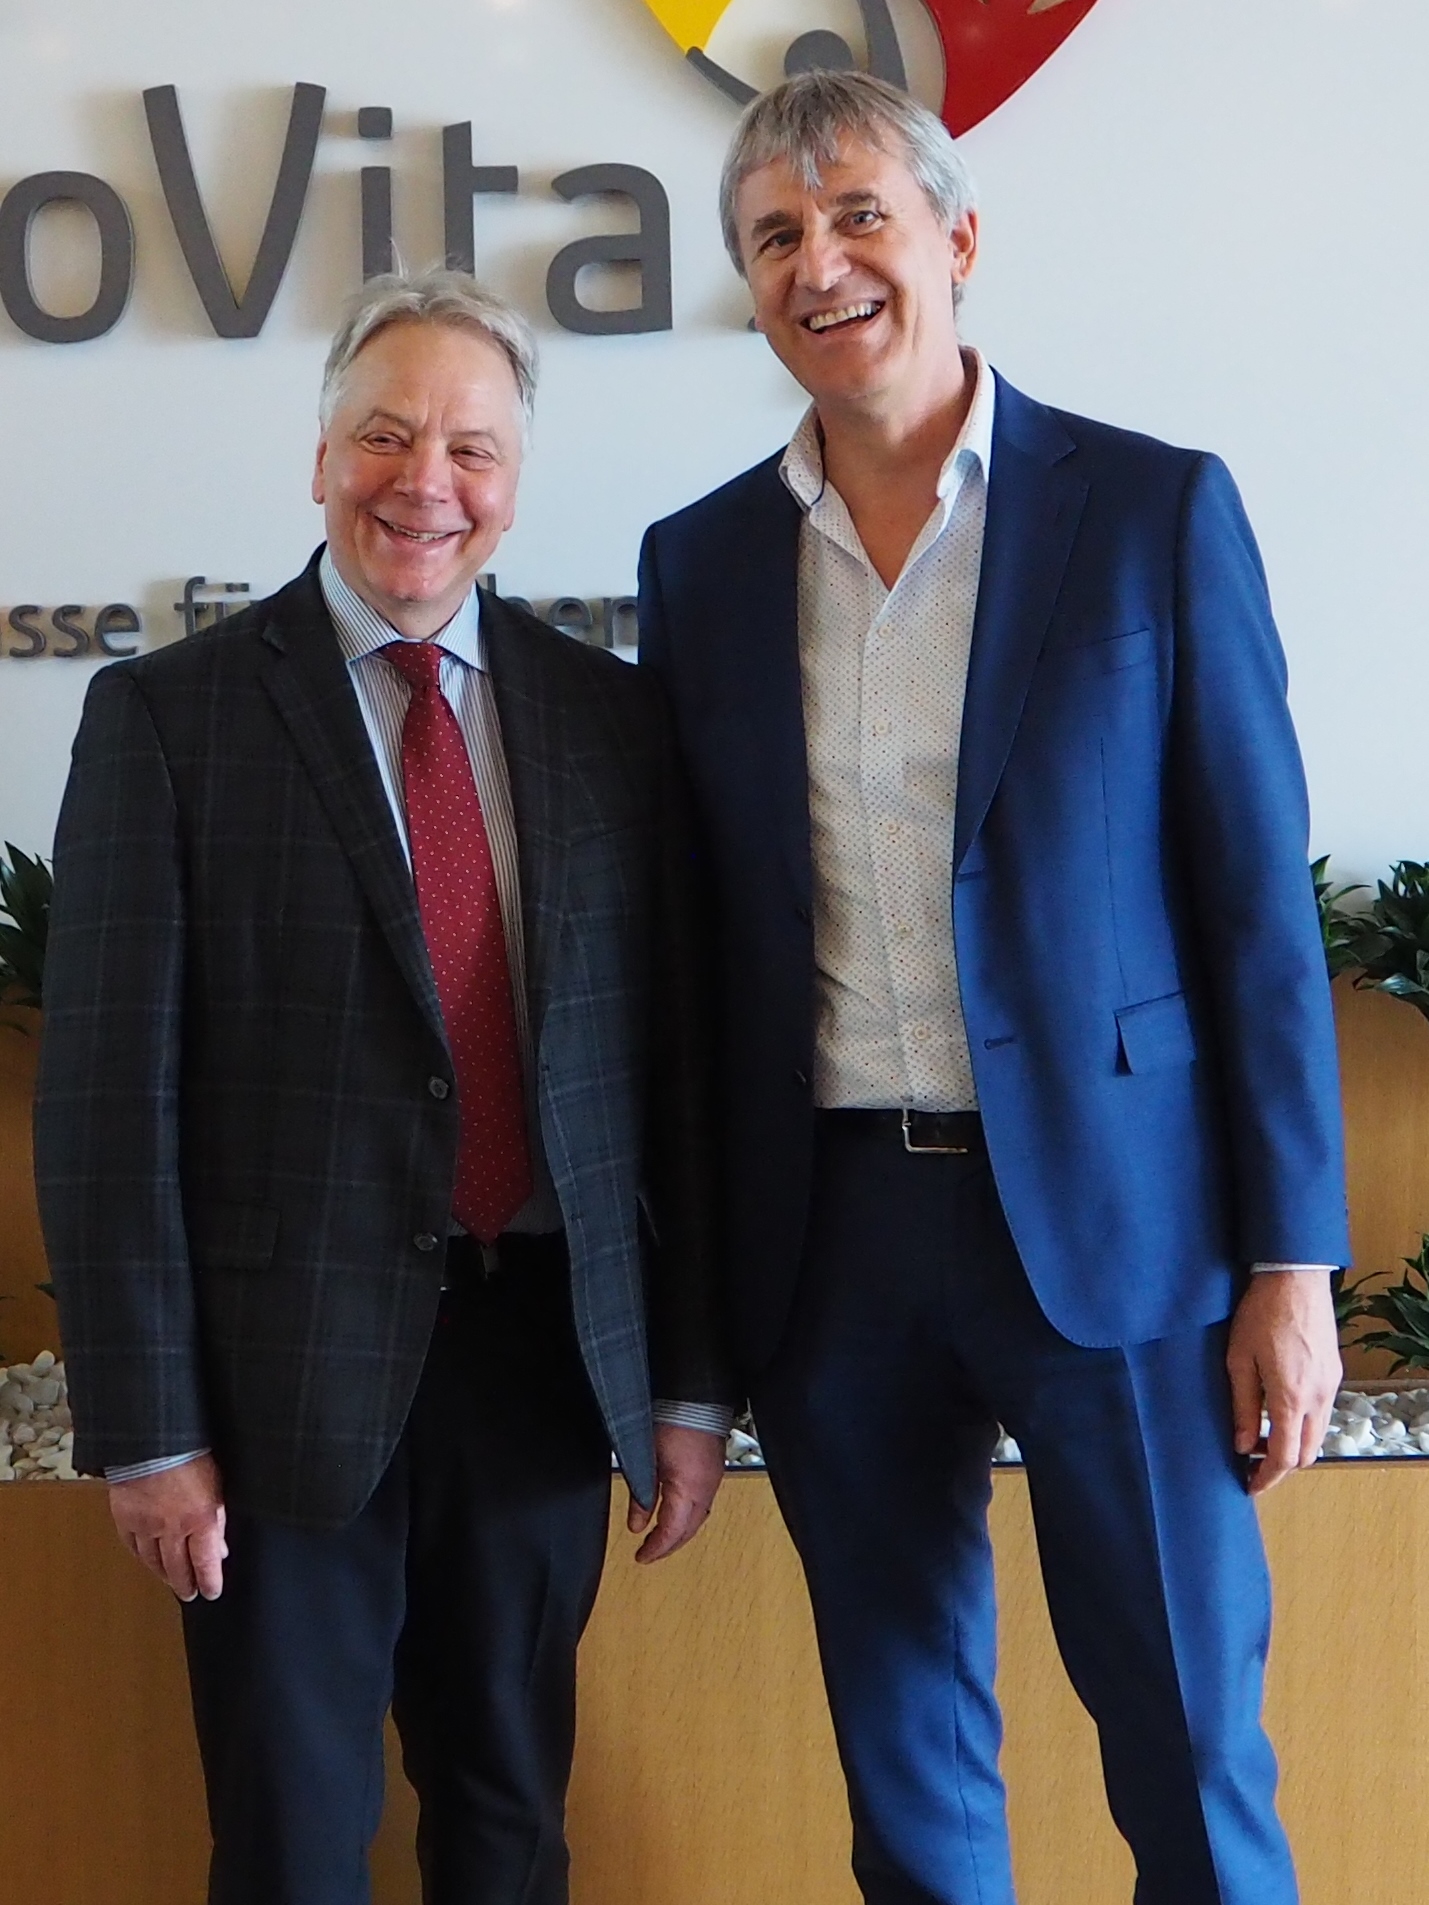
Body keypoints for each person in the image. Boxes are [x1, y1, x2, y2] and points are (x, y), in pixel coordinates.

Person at [638, 72, 1347, 1905]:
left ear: (955, 238)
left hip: (1121, 1232)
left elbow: (1255, 915)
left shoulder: (1150, 509)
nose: (820, 263)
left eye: (857, 215)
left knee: (1189, 1745)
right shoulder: (698, 564)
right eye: (775, 237)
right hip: (832, 1239)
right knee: (910, 1773)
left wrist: (1290, 1265)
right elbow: (698, 964)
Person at [35, 267, 734, 1905]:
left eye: (471, 448)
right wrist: (149, 1432)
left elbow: (671, 1080)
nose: (426, 481)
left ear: (515, 481)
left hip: (537, 1357)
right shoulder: (168, 719)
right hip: (277, 1387)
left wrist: (688, 1386)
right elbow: (105, 1108)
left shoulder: (609, 722)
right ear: (319, 455)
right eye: (384, 435)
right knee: (291, 1840)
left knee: (509, 1825)